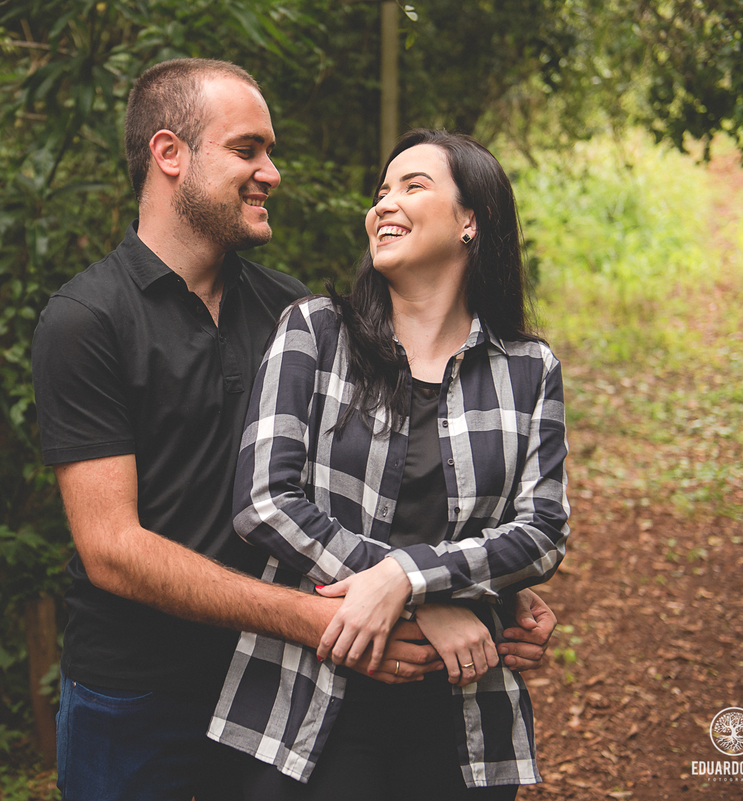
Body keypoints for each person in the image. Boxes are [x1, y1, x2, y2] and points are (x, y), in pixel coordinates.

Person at [32, 61, 558, 801]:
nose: (270, 173)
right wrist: (347, 610)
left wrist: (479, 593)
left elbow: (387, 485)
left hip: (276, 686)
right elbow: (112, 550)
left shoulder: (298, 314)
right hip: (138, 689)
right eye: (247, 150)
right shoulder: (86, 320)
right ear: (169, 154)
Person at [209, 129, 570, 800]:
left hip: (462, 710)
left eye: (413, 186)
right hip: (304, 700)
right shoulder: (314, 332)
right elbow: (264, 500)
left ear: (472, 221)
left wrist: (409, 578)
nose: (384, 205)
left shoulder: (528, 369)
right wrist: (423, 600)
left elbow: (543, 530)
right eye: (381, 192)